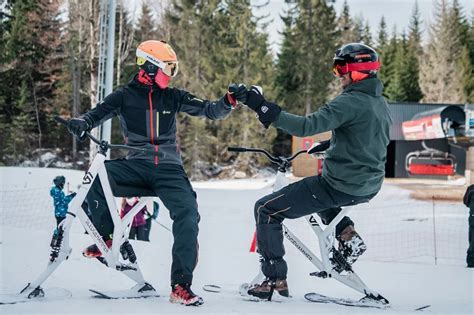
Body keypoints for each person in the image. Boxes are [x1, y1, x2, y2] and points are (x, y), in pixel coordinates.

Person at [65, 40, 247, 306]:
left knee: (187, 213)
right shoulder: (124, 95)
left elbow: (210, 110)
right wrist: (81, 123)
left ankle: (180, 286)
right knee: (96, 176)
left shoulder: (173, 96)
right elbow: (95, 115)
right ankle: (107, 238)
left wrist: (229, 101)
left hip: (169, 170)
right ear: (149, 67)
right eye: (167, 69)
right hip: (136, 166)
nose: (171, 75)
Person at [238, 43, 392, 300]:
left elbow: (306, 126)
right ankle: (346, 234)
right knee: (315, 189)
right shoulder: (379, 102)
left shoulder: (350, 101)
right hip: (367, 186)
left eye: (341, 67)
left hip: (340, 185)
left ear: (359, 70)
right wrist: (334, 144)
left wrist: (263, 107)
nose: (338, 73)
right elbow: (369, 138)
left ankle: (273, 279)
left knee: (266, 209)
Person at [463, 185, 474, 267]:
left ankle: (471, 261)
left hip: (473, 217)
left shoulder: (471, 189)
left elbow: (466, 202)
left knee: (472, 240)